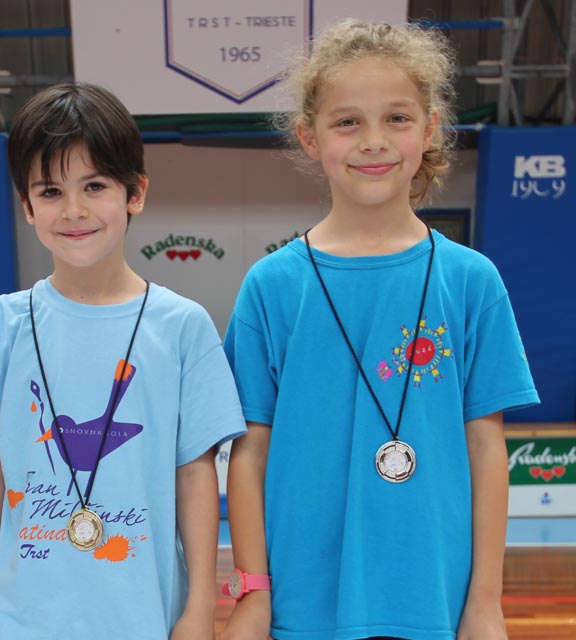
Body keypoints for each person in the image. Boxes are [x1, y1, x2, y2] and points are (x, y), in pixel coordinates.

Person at [221, 20, 540, 640]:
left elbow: (486, 449)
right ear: (309, 136)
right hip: (303, 604)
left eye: (396, 118)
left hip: (434, 601)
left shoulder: (471, 281)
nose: (373, 141)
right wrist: (253, 592)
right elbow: (250, 452)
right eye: (348, 122)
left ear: (430, 127)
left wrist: (485, 602)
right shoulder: (272, 286)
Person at [0, 82, 246, 640]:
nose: (74, 210)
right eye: (50, 191)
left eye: (95, 185)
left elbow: (195, 475)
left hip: (147, 617)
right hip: (28, 621)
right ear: (27, 205)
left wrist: (199, 609)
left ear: (135, 193)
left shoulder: (181, 328)